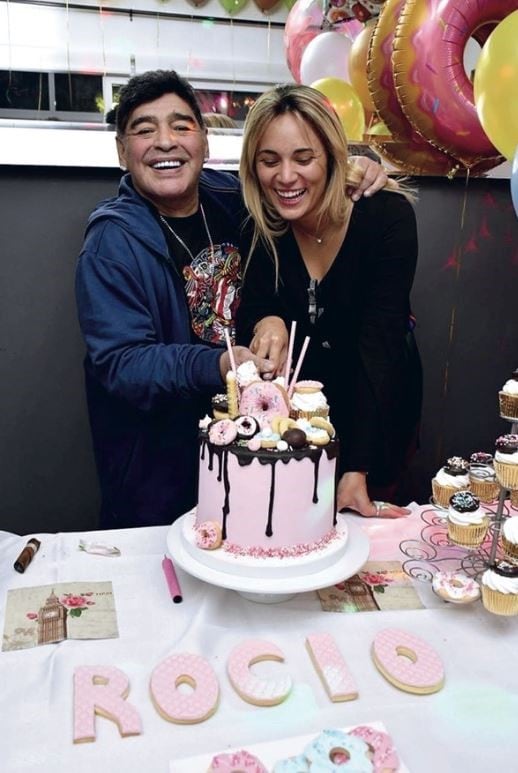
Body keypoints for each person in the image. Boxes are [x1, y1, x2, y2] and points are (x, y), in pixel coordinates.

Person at [75, 70, 389, 530]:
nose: (165, 142)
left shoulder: (237, 202)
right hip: (159, 479)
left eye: (181, 126)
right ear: (123, 151)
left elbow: (302, 185)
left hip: (256, 463)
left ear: (205, 140)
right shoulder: (110, 245)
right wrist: (219, 365)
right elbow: (121, 364)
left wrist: (363, 161)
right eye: (145, 130)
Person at [236, 84, 423, 519]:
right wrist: (268, 320)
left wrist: (357, 467)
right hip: (297, 427)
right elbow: (257, 303)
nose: (285, 177)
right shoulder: (259, 223)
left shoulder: (387, 218)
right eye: (269, 161)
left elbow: (381, 345)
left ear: (333, 157)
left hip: (379, 410)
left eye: (303, 158)